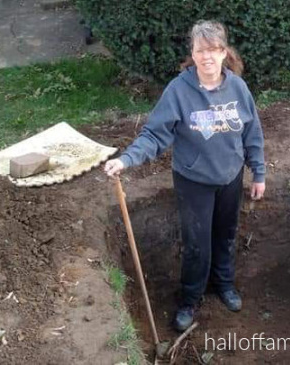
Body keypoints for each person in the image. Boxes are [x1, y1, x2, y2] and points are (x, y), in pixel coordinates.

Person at [103, 20, 266, 332]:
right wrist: (126, 159)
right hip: (194, 182)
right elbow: (154, 135)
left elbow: (252, 133)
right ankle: (190, 300)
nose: (207, 57)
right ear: (192, 53)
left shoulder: (238, 88)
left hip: (231, 177)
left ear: (224, 53)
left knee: (226, 234)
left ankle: (225, 285)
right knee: (196, 245)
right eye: (200, 50)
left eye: (214, 50)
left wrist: (258, 172)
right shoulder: (179, 91)